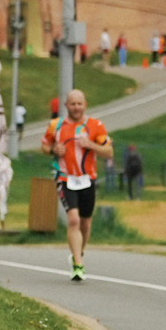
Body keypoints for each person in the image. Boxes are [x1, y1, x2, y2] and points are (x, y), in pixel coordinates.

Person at [40, 91, 112, 281]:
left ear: (85, 105)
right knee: (73, 219)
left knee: (85, 223)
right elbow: (45, 145)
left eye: (79, 104)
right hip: (64, 178)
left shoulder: (95, 126)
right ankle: (78, 265)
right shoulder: (56, 125)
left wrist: (91, 145)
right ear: (66, 105)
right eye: (72, 104)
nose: (76, 107)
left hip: (87, 178)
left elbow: (109, 152)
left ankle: (78, 253)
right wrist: (53, 150)